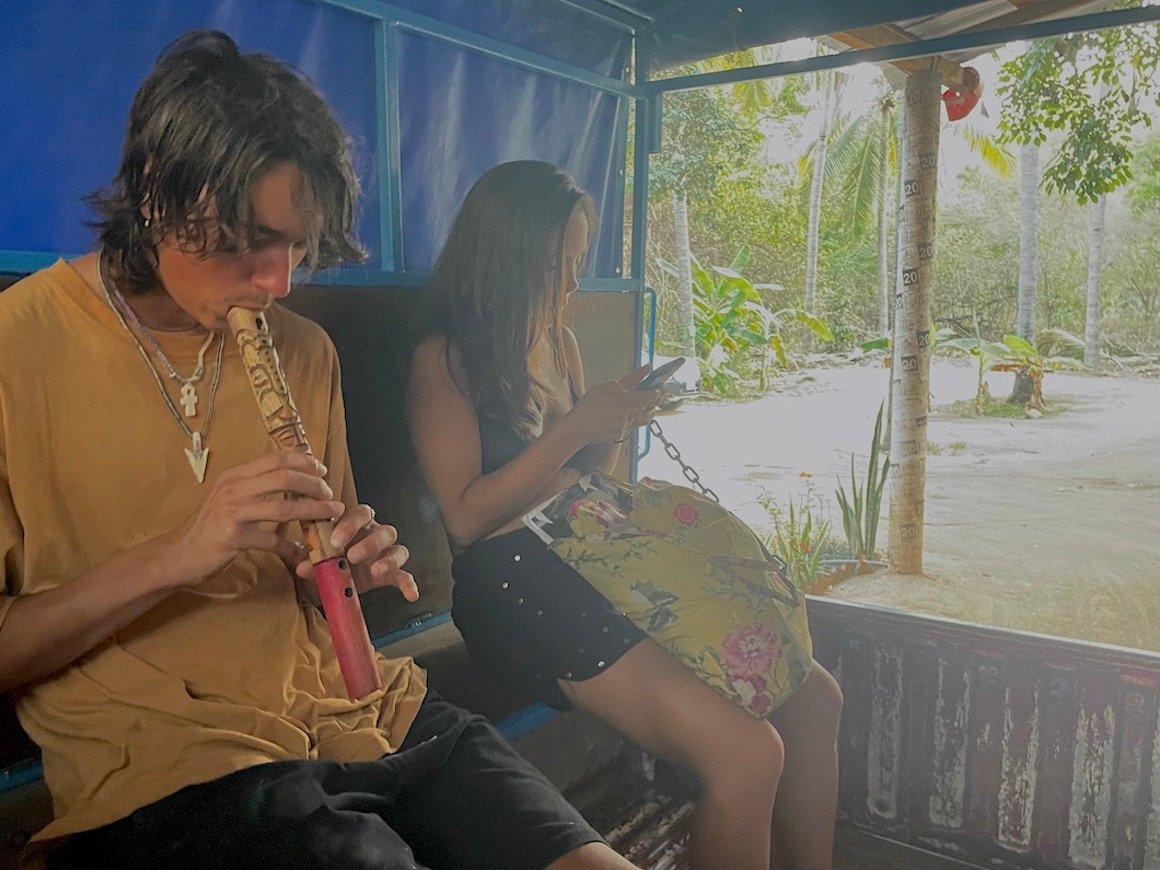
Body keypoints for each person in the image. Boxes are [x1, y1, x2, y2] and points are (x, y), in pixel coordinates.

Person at [0, 32, 637, 870]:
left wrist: (343, 564)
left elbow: (309, 578)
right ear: (157, 193)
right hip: (178, 761)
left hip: (369, 709)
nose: (280, 283)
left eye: (296, 247)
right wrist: (182, 552)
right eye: (250, 242)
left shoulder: (303, 351)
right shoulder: (21, 346)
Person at [406, 160, 845, 870]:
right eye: (556, 263)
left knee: (814, 697)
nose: (571, 284)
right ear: (504, 255)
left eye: (579, 262)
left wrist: (614, 423)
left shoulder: (561, 343)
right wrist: (577, 426)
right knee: (748, 756)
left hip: (594, 554)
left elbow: (590, 483)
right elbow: (462, 518)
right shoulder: (447, 360)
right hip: (516, 588)